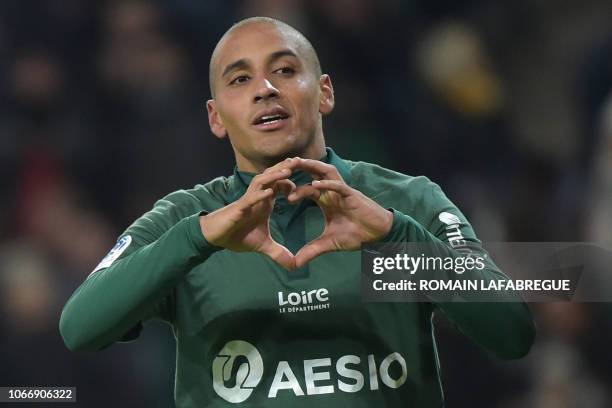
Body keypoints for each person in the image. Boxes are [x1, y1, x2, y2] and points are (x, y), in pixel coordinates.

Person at [60, 16, 535, 407]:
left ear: (324, 92)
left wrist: (394, 237)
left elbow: (512, 334)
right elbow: (79, 329)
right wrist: (196, 241)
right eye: (240, 79)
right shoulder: (188, 219)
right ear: (215, 117)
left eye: (285, 70)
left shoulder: (405, 202)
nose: (265, 88)